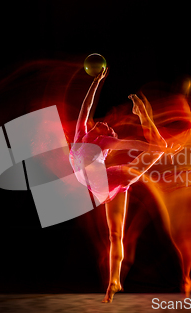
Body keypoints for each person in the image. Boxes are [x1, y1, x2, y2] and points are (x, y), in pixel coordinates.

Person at [70, 67, 180, 303]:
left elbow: (129, 143)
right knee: (115, 234)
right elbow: (86, 107)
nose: (111, 128)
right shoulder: (87, 134)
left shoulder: (103, 141)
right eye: (108, 126)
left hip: (108, 181)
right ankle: (114, 282)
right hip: (103, 185)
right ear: (97, 127)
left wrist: (154, 150)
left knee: (115, 234)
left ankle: (114, 281)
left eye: (112, 130)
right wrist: (96, 82)